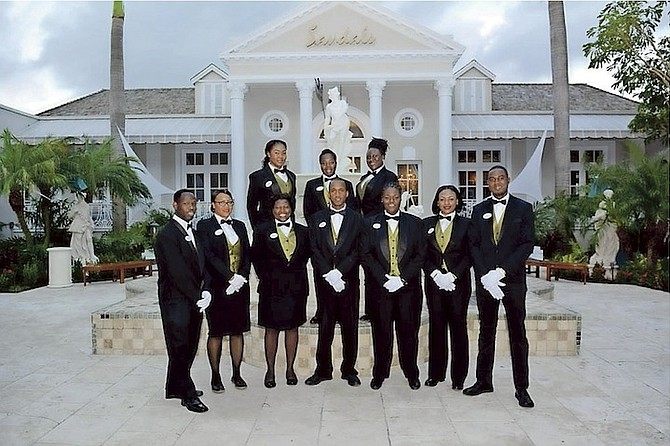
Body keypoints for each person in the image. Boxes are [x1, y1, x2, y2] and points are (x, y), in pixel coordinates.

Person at [464, 165, 535, 408]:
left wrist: (502, 271)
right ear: (487, 183)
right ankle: (483, 380)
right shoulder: (478, 210)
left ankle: (522, 388)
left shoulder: (523, 209)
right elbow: (473, 245)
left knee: (518, 334)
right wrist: (485, 275)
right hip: (486, 282)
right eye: (492, 179)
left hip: (512, 280)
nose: (496, 183)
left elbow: (526, 244)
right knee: (487, 330)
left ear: (508, 180)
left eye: (500, 178)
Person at [361, 182, 424, 390]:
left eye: (395, 197)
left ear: (401, 198)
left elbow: (419, 255)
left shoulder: (415, 223)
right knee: (381, 333)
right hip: (381, 290)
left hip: (408, 290)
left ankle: (411, 372)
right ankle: (380, 372)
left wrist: (403, 278)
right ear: (381, 199)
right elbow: (366, 255)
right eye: (387, 197)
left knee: (408, 333)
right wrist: (384, 278)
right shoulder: (370, 223)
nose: (391, 201)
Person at [154, 189, 211, 413]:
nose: (191, 207)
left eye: (194, 203)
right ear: (175, 205)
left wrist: (205, 290)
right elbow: (177, 272)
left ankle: (174, 386)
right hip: (175, 301)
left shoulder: (194, 233)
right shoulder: (167, 235)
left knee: (189, 345)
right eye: (186, 203)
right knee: (179, 346)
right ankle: (187, 394)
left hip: (193, 300)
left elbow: (202, 266)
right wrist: (197, 295)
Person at [305, 178, 364, 387]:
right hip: (325, 283)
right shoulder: (316, 218)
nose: (337, 194)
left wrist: (340, 272)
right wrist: (328, 273)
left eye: (341, 190)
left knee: (350, 328)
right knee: (325, 327)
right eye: (334, 191)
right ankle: (323, 370)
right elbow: (314, 250)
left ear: (347, 193)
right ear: (328, 194)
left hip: (348, 282)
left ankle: (349, 370)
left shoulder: (358, 219)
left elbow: (359, 250)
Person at [251, 194, 311, 388]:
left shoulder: (303, 231)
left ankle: (290, 369)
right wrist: (266, 277)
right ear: (272, 209)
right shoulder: (262, 231)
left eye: (285, 207)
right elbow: (256, 258)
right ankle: (270, 370)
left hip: (296, 288)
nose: (282, 211)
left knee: (292, 328)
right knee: (272, 329)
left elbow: (307, 256)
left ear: (291, 208)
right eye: (278, 207)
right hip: (271, 288)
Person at [198, 189, 251, 393]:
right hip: (217, 287)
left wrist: (241, 277)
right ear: (213, 205)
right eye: (221, 202)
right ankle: (216, 375)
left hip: (239, 287)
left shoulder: (239, 225)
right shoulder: (204, 226)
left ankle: (237, 373)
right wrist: (229, 276)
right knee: (217, 332)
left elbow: (247, 253)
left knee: (237, 331)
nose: (226, 206)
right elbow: (209, 256)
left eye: (229, 202)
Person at [422, 185, 472, 389]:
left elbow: (471, 254)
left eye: (451, 199)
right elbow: (421, 254)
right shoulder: (426, 224)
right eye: (442, 199)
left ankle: (458, 377)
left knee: (458, 329)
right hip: (434, 284)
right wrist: (434, 273)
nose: (446, 203)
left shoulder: (467, 225)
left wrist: (453, 275)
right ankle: (436, 373)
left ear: (457, 201)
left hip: (458, 285)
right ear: (437, 201)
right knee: (436, 327)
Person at [303, 148, 357, 324]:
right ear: (320, 165)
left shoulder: (347, 184)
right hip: (322, 240)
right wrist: (315, 234)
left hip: (343, 241)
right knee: (321, 281)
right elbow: (308, 211)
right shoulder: (312, 185)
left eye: (331, 162)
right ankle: (321, 312)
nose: (328, 166)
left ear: (336, 163)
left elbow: (354, 212)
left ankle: (344, 314)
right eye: (324, 163)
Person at [356, 137, 398, 322]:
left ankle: (383, 309)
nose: (371, 159)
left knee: (381, 268)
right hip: (365, 229)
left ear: (382, 157)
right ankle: (370, 309)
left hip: (381, 229)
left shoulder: (389, 177)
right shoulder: (364, 178)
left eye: (375, 156)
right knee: (369, 271)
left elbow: (390, 203)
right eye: (368, 156)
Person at [247, 139, 297, 229]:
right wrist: (257, 229)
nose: (281, 157)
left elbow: (292, 201)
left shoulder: (292, 176)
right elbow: (251, 206)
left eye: (284, 153)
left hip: (289, 225)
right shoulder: (258, 177)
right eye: (276, 153)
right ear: (268, 154)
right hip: (267, 225)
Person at [323, 86, 353, 171]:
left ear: (337, 94)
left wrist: (336, 122)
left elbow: (342, 112)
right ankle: (334, 157)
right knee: (331, 140)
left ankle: (339, 159)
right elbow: (328, 118)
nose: (333, 95)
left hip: (343, 123)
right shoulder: (329, 107)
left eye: (334, 94)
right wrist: (326, 128)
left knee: (342, 141)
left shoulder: (342, 103)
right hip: (335, 126)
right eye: (331, 94)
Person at [68, 190, 99, 265]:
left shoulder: (84, 206)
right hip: (79, 226)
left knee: (87, 240)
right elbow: (70, 216)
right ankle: (81, 256)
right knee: (78, 243)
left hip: (84, 226)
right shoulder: (79, 206)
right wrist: (75, 212)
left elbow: (86, 217)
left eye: (78, 196)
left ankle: (88, 255)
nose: (77, 198)